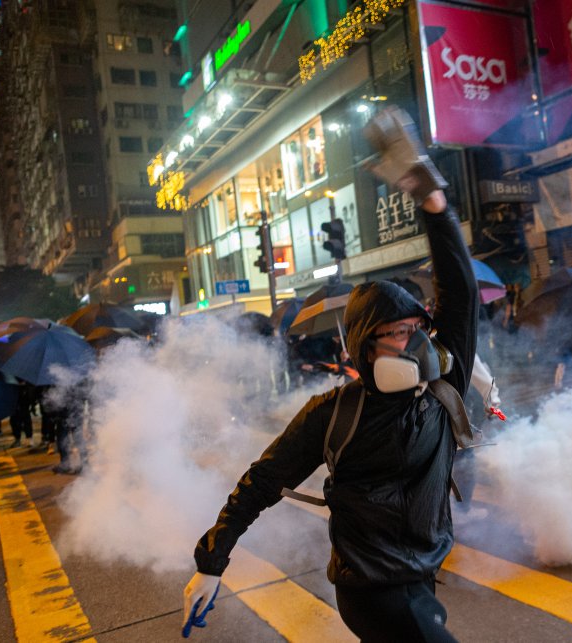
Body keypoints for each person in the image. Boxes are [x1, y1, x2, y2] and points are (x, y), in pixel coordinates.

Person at [183, 106, 479, 642]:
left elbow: (461, 293)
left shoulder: (442, 389)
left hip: (422, 577)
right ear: (366, 348)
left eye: (417, 328)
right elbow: (262, 482)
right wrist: (211, 561)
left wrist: (434, 204)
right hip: (374, 590)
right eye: (396, 332)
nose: (412, 342)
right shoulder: (334, 414)